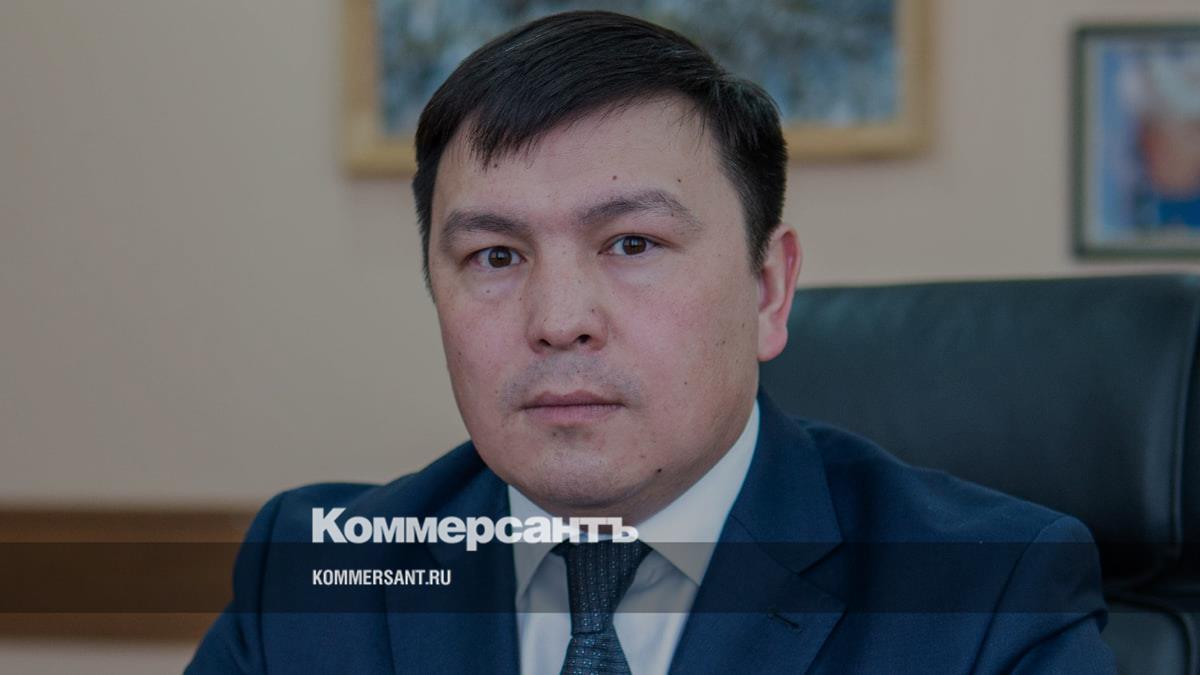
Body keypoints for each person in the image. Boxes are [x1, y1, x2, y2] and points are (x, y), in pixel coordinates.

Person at [188, 10, 1115, 674]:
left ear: (767, 288)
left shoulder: (988, 595)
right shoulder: (317, 575)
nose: (559, 318)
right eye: (495, 255)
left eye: (632, 243)